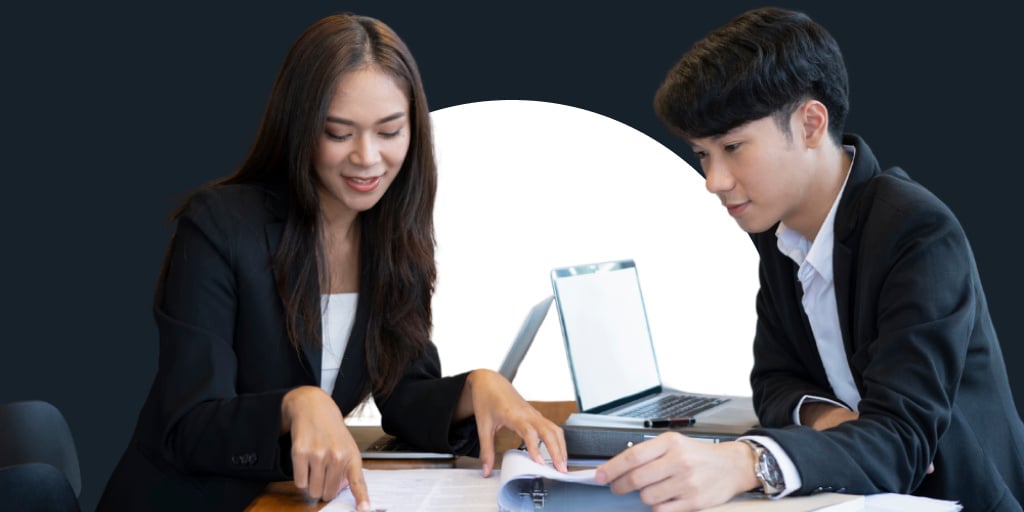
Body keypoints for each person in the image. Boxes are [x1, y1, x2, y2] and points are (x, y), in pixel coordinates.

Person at [97, 13, 566, 512]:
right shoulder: (220, 227)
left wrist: (476, 387)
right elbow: (187, 427)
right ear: (299, 129)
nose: (368, 158)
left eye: (390, 131)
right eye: (339, 133)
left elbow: (403, 392)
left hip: (299, 502)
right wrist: (294, 405)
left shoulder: (391, 235)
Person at [595, 7, 1024, 512]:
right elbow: (773, 383)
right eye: (702, 154)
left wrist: (746, 462)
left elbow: (904, 445)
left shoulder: (915, 229)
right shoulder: (782, 234)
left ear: (811, 123)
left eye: (733, 147)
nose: (714, 181)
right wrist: (828, 418)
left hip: (958, 498)